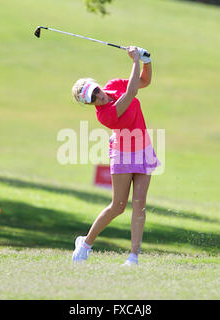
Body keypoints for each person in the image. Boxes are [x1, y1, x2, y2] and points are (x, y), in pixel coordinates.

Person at [71, 46, 161, 266]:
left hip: (143, 148)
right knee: (118, 206)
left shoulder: (113, 85)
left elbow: (143, 82)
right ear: (89, 104)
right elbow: (132, 93)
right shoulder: (105, 115)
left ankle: (133, 256)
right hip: (122, 154)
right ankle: (85, 243)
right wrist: (134, 60)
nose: (99, 97)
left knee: (139, 203)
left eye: (96, 91)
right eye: (93, 98)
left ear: (98, 85)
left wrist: (146, 60)